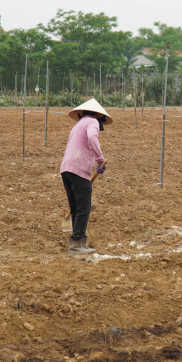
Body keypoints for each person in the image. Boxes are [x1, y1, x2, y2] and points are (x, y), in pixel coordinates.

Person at [60, 98, 110, 255]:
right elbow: (92, 139)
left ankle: (77, 243)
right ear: (98, 115)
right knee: (84, 208)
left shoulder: (77, 125)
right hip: (78, 169)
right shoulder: (93, 122)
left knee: (76, 208)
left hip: (66, 169)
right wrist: (100, 159)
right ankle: (76, 244)